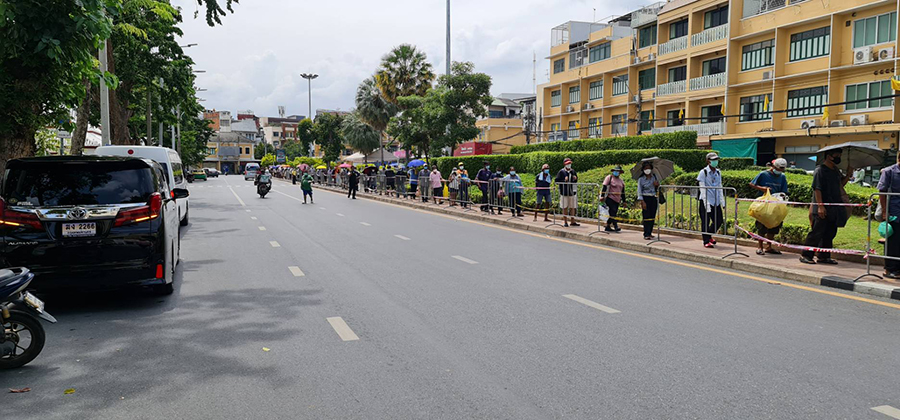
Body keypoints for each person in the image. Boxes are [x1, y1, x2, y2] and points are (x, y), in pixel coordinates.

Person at [800, 148, 853, 265]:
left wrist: (848, 175)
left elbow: (840, 185)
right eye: (837, 155)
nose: (839, 157)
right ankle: (806, 255)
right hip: (822, 207)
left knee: (830, 233)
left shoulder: (835, 170)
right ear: (829, 156)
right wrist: (820, 206)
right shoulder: (820, 170)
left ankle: (824, 256)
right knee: (816, 232)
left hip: (834, 207)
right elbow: (817, 189)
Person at [749, 158, 789, 255]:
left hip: (776, 205)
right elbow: (751, 184)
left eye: (781, 170)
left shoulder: (782, 177)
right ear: (773, 167)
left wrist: (783, 196)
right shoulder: (763, 174)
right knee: (762, 226)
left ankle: (769, 246)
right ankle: (760, 247)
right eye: (778, 169)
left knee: (774, 226)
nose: (779, 172)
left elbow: (785, 190)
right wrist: (762, 189)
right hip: (764, 205)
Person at [878, 151, 900, 278]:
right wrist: (885, 211)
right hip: (894, 212)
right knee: (893, 242)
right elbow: (882, 192)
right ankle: (889, 268)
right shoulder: (889, 172)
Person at [698, 152, 726, 248]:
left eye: (716, 160)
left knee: (718, 221)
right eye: (713, 160)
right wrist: (706, 203)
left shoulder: (718, 172)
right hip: (706, 200)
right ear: (708, 161)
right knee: (705, 221)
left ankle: (709, 235)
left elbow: (720, 186)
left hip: (716, 201)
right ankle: (706, 241)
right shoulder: (703, 172)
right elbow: (702, 188)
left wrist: (723, 202)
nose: (715, 162)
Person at [637, 161, 659, 240]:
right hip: (645, 198)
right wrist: (642, 201)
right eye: (646, 168)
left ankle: (650, 232)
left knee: (652, 216)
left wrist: (657, 185)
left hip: (653, 197)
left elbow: (658, 188)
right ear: (643, 170)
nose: (647, 170)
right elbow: (639, 191)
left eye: (649, 168)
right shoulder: (641, 179)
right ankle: (646, 233)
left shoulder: (654, 177)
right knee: (646, 216)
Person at [555, 158, 579, 227]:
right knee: (564, 207)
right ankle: (565, 222)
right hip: (564, 192)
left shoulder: (573, 171)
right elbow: (556, 181)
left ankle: (573, 221)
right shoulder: (561, 172)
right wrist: (563, 180)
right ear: (564, 164)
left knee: (573, 207)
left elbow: (576, 179)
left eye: (570, 164)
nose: (569, 165)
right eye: (567, 164)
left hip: (572, 192)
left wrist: (575, 178)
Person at [601, 165, 625, 232]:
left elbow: (623, 191)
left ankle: (608, 226)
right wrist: (602, 196)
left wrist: (624, 201)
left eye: (618, 171)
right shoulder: (609, 178)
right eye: (615, 171)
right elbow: (604, 187)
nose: (617, 172)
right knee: (613, 212)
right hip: (610, 198)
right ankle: (616, 226)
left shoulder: (621, 181)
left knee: (613, 213)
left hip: (617, 199)